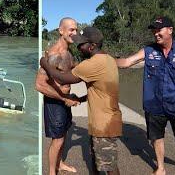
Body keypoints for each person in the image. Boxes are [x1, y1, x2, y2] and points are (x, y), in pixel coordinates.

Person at [116, 16, 175, 175]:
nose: (155, 33)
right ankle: (160, 167)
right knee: (157, 138)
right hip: (153, 104)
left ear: (170, 30)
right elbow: (126, 62)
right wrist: (104, 60)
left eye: (159, 29)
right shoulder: (149, 50)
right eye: (154, 30)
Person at [40, 26, 123, 175]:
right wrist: (81, 98)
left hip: (103, 124)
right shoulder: (109, 59)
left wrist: (44, 62)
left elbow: (61, 77)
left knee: (109, 165)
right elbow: (100, 91)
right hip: (108, 119)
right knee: (99, 158)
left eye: (81, 44)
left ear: (92, 46)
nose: (78, 47)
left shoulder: (92, 64)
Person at [35, 17, 79, 175]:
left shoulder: (68, 52)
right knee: (57, 139)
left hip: (64, 101)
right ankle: (52, 172)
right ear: (61, 31)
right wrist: (63, 98)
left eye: (76, 29)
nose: (75, 32)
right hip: (55, 102)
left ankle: (60, 164)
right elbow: (40, 84)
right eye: (71, 30)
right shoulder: (55, 54)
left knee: (65, 132)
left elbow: (73, 68)